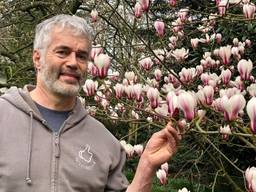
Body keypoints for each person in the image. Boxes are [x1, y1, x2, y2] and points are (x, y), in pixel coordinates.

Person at [0, 14, 181, 192]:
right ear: (37, 58)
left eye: (81, 56)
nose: (73, 63)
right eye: (62, 52)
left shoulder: (105, 142)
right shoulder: (4, 117)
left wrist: (147, 166)